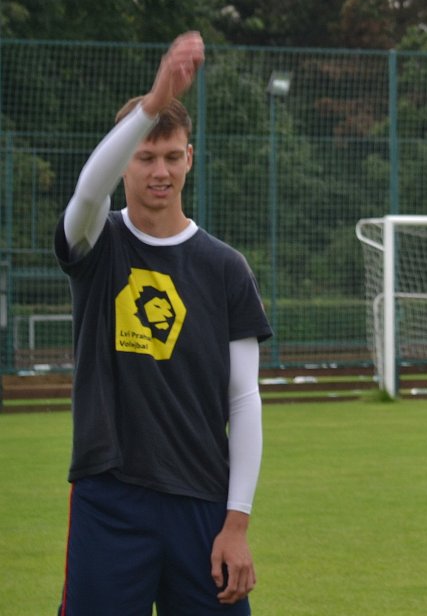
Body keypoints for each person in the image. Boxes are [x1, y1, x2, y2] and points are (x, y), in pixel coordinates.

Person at [55, 31, 272, 614]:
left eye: (172, 157)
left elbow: (244, 400)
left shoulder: (226, 268)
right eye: (145, 157)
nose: (160, 172)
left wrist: (237, 524)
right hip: (110, 500)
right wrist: (152, 104)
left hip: (203, 507)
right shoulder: (98, 243)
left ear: (189, 159)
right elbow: (86, 192)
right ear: (125, 161)